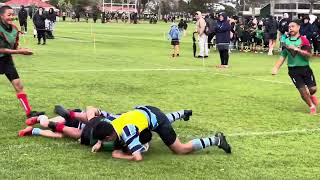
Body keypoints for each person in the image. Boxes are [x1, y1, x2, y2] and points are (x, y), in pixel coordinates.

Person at [92, 105, 231, 161]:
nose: (105, 143)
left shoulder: (128, 133)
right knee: (156, 120)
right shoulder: (109, 121)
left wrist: (120, 155)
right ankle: (184, 113)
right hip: (145, 109)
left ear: (108, 137)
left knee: (180, 149)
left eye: (104, 140)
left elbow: (138, 158)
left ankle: (216, 140)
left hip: (156, 119)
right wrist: (99, 143)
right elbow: (103, 125)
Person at [0, 5, 43, 118]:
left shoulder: (14, 29)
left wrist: (22, 50)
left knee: (18, 85)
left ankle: (29, 113)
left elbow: (14, 48)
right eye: (8, 15)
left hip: (6, 59)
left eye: (12, 14)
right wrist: (20, 52)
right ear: (1, 16)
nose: (11, 17)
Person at [272, 20, 318, 115]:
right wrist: (276, 68)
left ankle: (312, 96)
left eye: (292, 26)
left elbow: (309, 55)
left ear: (298, 27)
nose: (290, 29)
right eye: (289, 27)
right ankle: (311, 106)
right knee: (302, 90)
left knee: (313, 89)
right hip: (293, 70)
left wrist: (297, 49)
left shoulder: (304, 40)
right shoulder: (286, 42)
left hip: (305, 68)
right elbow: (283, 56)